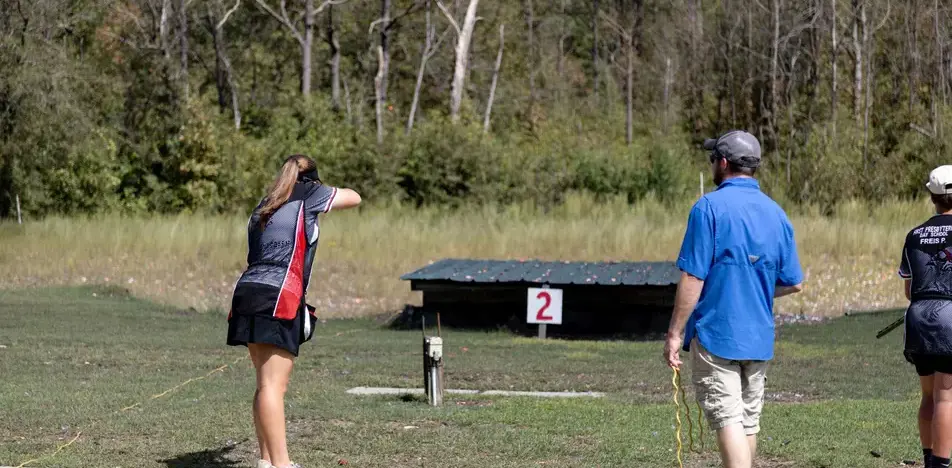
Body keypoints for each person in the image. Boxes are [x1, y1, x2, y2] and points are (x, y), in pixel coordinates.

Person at [662, 130, 804, 468]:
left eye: (713, 158)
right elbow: (793, 283)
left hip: (717, 336)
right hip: (759, 338)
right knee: (747, 422)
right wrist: (753, 287)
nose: (712, 163)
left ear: (723, 163)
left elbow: (693, 277)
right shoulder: (776, 213)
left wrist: (674, 334)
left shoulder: (708, 208)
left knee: (727, 419)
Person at [226, 154, 361, 468]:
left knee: (264, 383)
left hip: (247, 291)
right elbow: (355, 197)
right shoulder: (309, 194)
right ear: (312, 178)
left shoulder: (265, 204)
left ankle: (266, 461)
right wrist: (319, 187)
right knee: (274, 386)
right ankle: (283, 465)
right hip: (278, 295)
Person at [898, 165, 952, 468]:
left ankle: (928, 457)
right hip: (949, 320)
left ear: (933, 196)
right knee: (947, 397)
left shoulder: (914, 235)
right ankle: (940, 464)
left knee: (929, 395)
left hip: (918, 319)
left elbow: (909, 289)